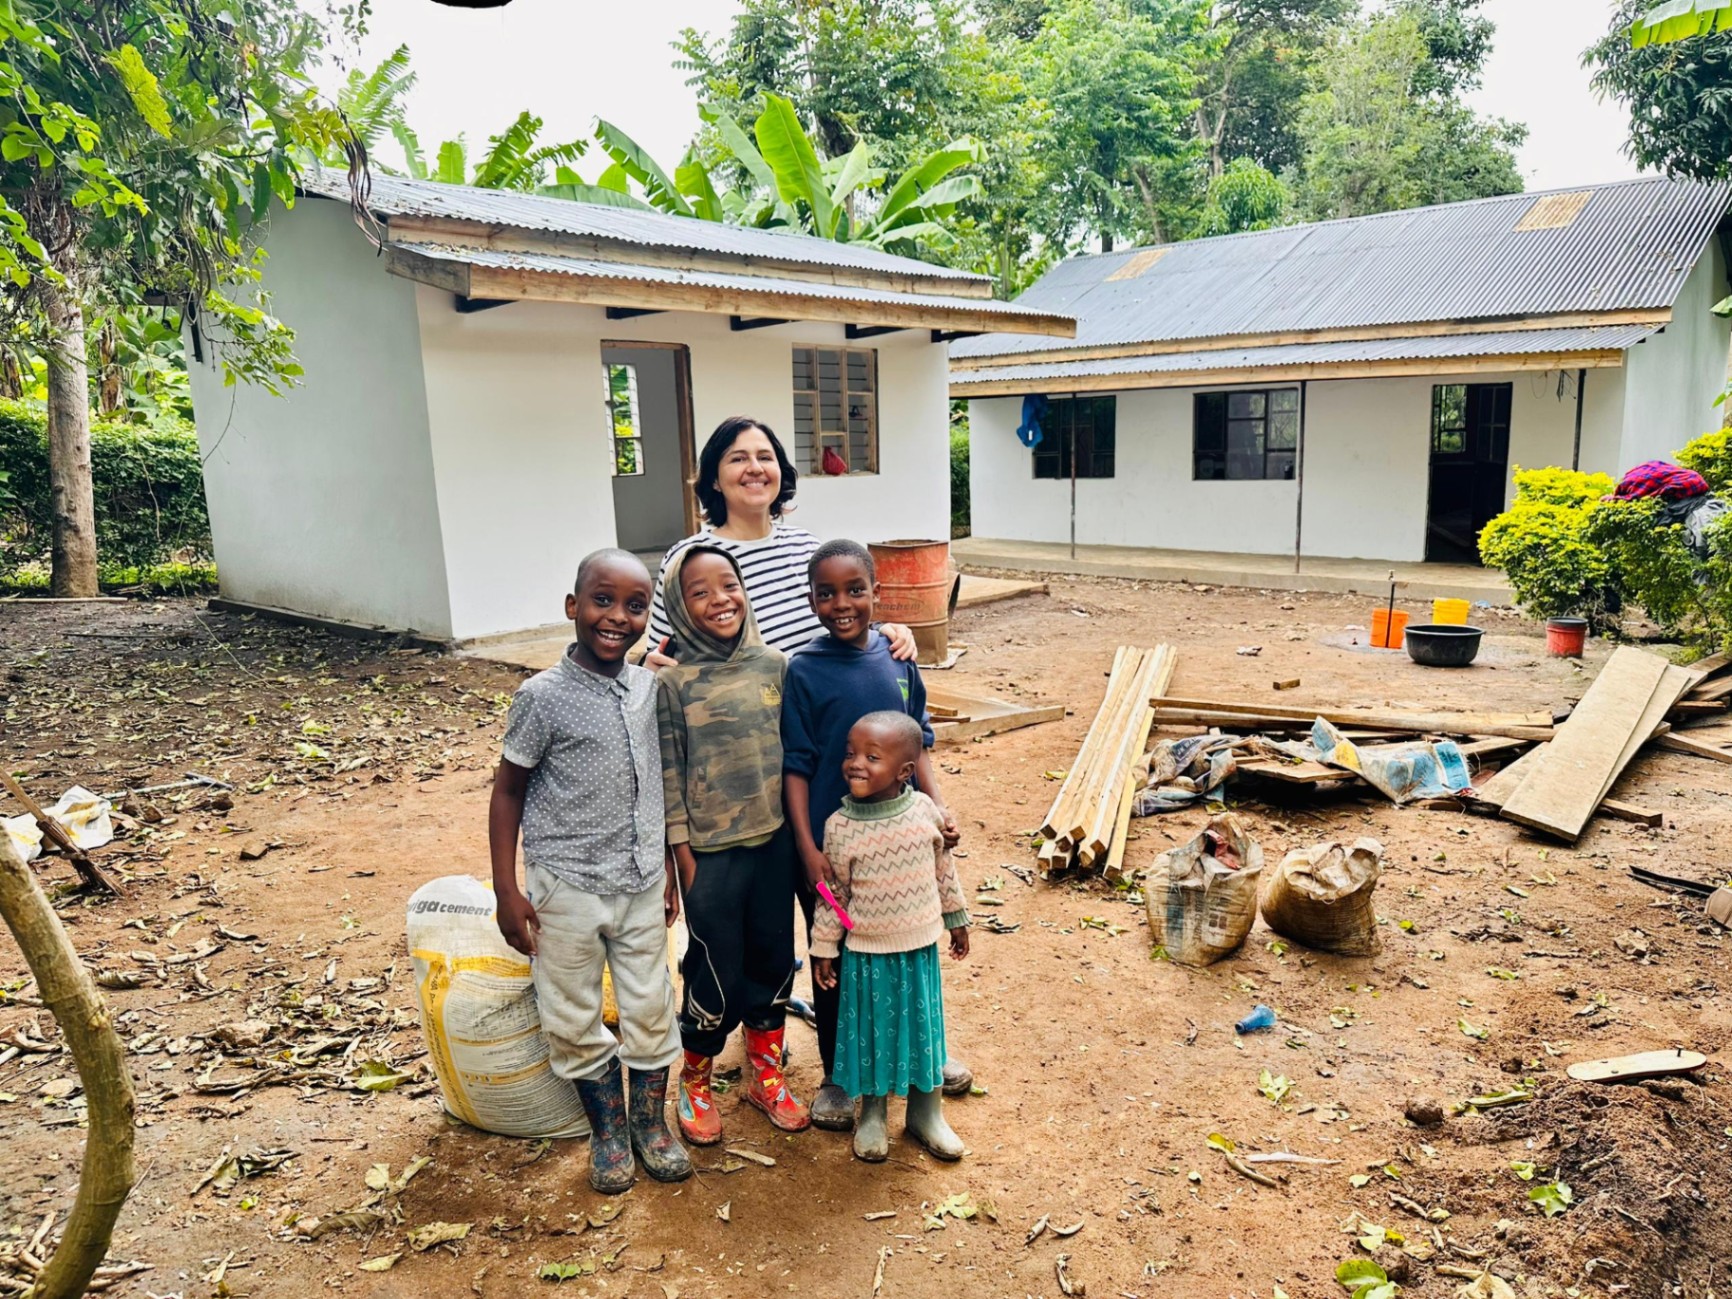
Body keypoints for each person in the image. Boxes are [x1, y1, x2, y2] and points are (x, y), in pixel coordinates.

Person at [487, 549, 690, 1195]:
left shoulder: (647, 689)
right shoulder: (541, 697)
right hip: (565, 887)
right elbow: (508, 791)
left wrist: (667, 866)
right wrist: (506, 889)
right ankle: (608, 1131)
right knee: (572, 1011)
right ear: (573, 606)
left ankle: (650, 1125)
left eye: (636, 606)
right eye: (603, 601)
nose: (617, 617)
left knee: (651, 1004)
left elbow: (657, 785)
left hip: (640, 883)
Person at [781, 538, 971, 1132]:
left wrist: (939, 808)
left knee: (907, 950)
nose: (842, 604)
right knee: (832, 954)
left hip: (901, 844)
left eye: (854, 590)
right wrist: (807, 848)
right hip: (833, 850)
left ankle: (920, 1060)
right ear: (811, 600)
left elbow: (920, 744)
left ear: (876, 593)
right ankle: (840, 1075)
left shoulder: (897, 658)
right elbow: (794, 766)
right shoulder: (803, 671)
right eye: (827, 593)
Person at [653, 544, 809, 1144]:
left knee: (773, 958)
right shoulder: (671, 683)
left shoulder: (776, 666)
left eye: (729, 584)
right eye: (699, 592)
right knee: (713, 968)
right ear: (678, 607)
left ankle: (764, 1076)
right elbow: (669, 774)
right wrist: (681, 857)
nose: (720, 600)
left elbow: (794, 758)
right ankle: (694, 1079)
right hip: (709, 857)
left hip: (773, 847)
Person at [810, 711, 970, 1162]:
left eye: (872, 757)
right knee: (873, 1034)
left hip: (919, 950)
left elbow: (943, 869)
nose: (855, 763)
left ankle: (925, 1113)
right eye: (850, 753)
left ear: (905, 771)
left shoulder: (924, 811)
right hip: (867, 955)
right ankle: (873, 1115)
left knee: (924, 1031)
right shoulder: (839, 826)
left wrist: (956, 917)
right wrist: (824, 947)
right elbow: (834, 894)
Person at [640, 415, 918, 663]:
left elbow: (842, 620)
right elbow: (660, 654)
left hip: (823, 701)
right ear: (714, 480)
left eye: (765, 457)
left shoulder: (808, 548)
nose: (755, 468)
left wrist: (882, 630)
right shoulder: (688, 559)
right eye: (738, 459)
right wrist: (649, 663)